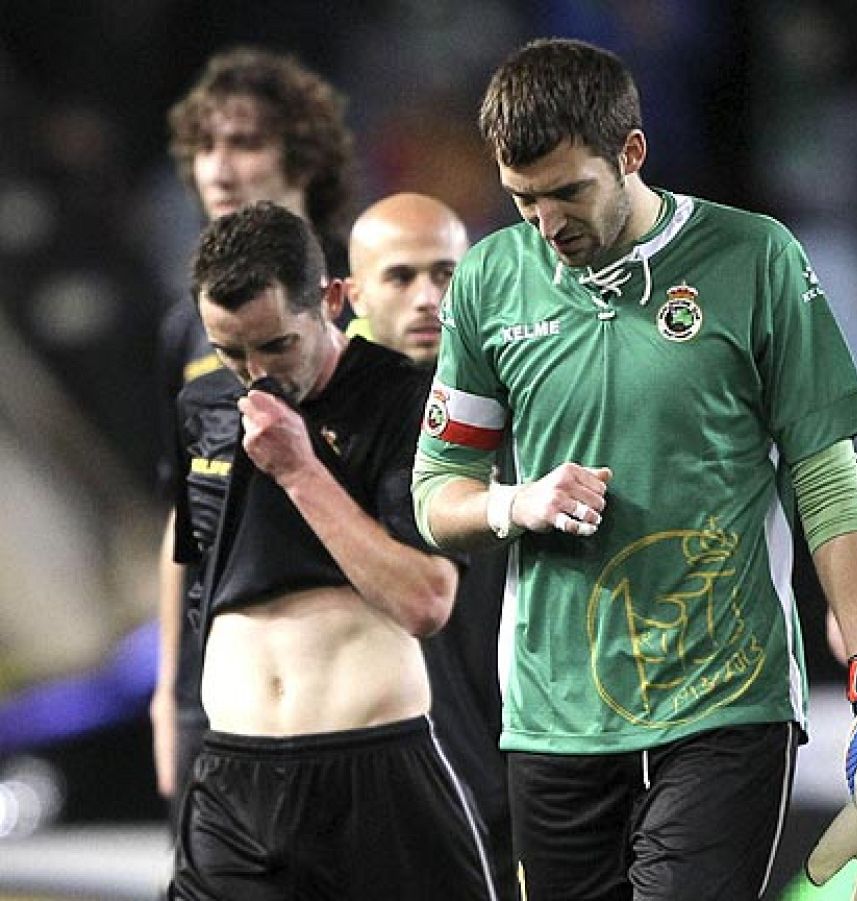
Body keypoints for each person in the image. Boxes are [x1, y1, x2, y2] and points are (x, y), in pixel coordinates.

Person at [412, 37, 857, 900]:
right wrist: (518, 502)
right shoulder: (487, 280)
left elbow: (829, 489)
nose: (548, 225)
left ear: (631, 154)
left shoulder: (756, 259)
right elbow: (437, 495)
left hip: (726, 702)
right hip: (553, 714)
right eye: (522, 200)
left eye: (567, 192)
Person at [168, 202, 497, 900]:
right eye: (231, 351)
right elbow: (197, 574)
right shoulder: (203, 407)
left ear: (333, 299)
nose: (255, 374)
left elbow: (426, 599)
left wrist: (299, 468)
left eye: (278, 345)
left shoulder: (410, 400)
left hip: (371, 772)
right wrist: (175, 706)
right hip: (233, 779)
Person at [150, 45, 355, 828]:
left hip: (352, 673)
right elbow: (183, 519)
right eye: (206, 146)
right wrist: (171, 691)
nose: (219, 167)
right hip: (226, 678)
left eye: (244, 142)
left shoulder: (372, 289)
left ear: (301, 156)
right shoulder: (184, 328)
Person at [345, 192, 517, 900]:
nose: (428, 297)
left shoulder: (519, 395)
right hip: (392, 757)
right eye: (401, 276)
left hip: (518, 745)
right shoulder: (322, 421)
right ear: (353, 290)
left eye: (445, 274)